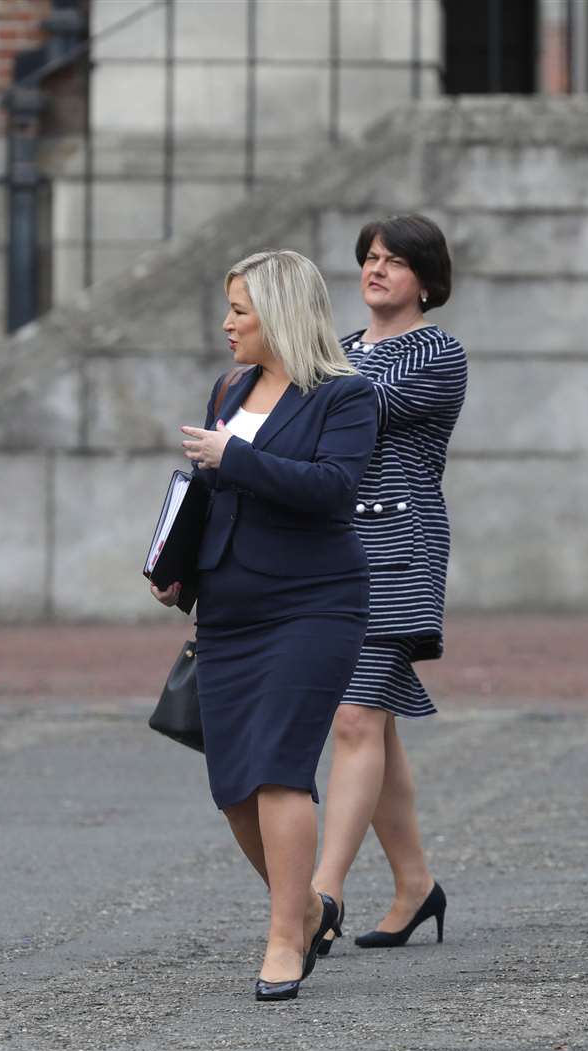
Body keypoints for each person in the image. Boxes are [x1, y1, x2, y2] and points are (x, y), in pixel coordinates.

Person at [151, 250, 376, 1001]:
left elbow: (334, 490)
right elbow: (213, 493)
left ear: (279, 313)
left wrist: (235, 457)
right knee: (233, 784)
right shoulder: (231, 387)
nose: (227, 324)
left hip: (313, 604)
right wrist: (176, 564)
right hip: (229, 608)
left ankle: (285, 937)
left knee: (279, 767)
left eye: (240, 310)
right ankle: (310, 907)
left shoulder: (345, 395)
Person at [312, 214, 467, 955]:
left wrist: (293, 381)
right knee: (372, 724)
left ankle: (321, 898)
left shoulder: (438, 352)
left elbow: (349, 411)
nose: (376, 270)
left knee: (352, 721)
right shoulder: (336, 351)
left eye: (395, 261)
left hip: (398, 549)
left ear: (426, 281)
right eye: (370, 258)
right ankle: (414, 885)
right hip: (333, 551)